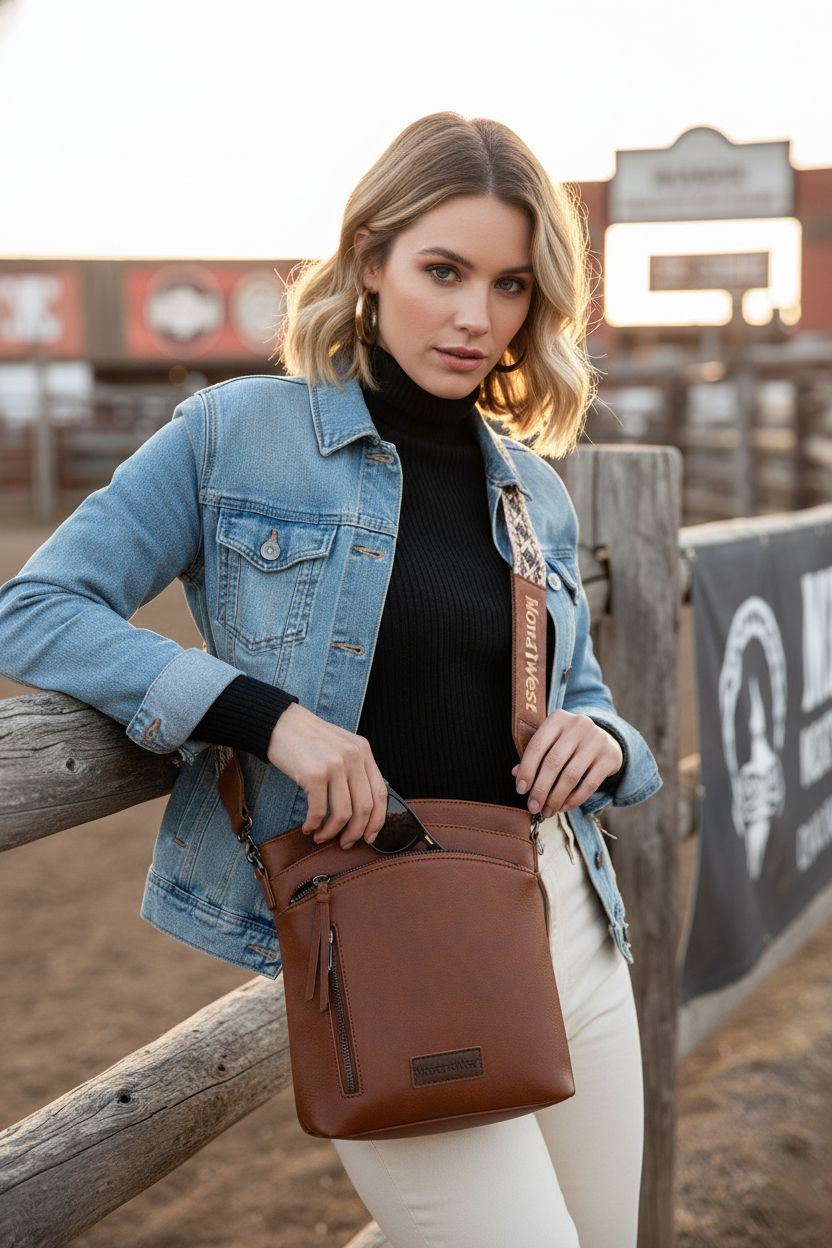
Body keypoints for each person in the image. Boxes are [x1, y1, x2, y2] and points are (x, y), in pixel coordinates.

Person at [0, 112, 662, 1246]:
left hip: (565, 912)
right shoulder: (234, 436)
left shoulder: (533, 489)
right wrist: (267, 719)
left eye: (509, 285)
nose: (475, 316)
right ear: (369, 260)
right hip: (385, 935)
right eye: (443, 271)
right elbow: (38, 607)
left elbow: (582, 693)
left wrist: (604, 742)